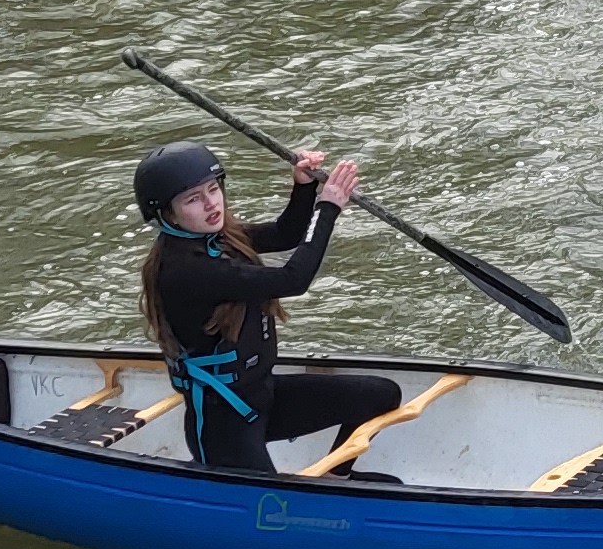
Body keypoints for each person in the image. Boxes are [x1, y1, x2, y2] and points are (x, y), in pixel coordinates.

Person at [132, 136, 406, 478]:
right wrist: (328, 208)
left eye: (213, 189)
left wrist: (303, 187)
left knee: (380, 395)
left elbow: (285, 233)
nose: (211, 204)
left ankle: (338, 478)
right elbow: (294, 279)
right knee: (272, 499)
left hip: (262, 395)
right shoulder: (186, 270)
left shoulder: (214, 237)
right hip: (224, 423)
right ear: (166, 214)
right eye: (193, 199)